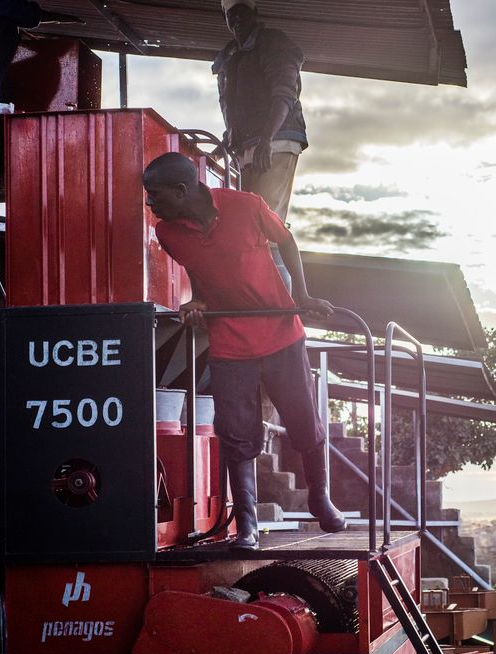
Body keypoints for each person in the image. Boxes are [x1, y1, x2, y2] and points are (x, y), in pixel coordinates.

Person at [142, 151, 345, 550]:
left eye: (155, 194)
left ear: (182, 190)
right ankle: (247, 524)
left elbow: (287, 241)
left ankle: (321, 497)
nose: (150, 203)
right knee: (236, 431)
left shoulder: (246, 206)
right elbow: (199, 268)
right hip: (231, 340)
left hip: (281, 333)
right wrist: (199, 301)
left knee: (304, 421)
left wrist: (301, 295)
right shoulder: (167, 233)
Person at [212, 0, 308, 291]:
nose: (236, 19)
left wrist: (267, 137)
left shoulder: (274, 44)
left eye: (242, 12)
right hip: (246, 147)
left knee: (265, 223)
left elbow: (284, 94)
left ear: (255, 13)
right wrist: (229, 137)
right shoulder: (230, 56)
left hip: (275, 142)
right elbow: (234, 108)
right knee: (246, 225)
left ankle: (282, 304)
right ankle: (255, 294)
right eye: (231, 14)